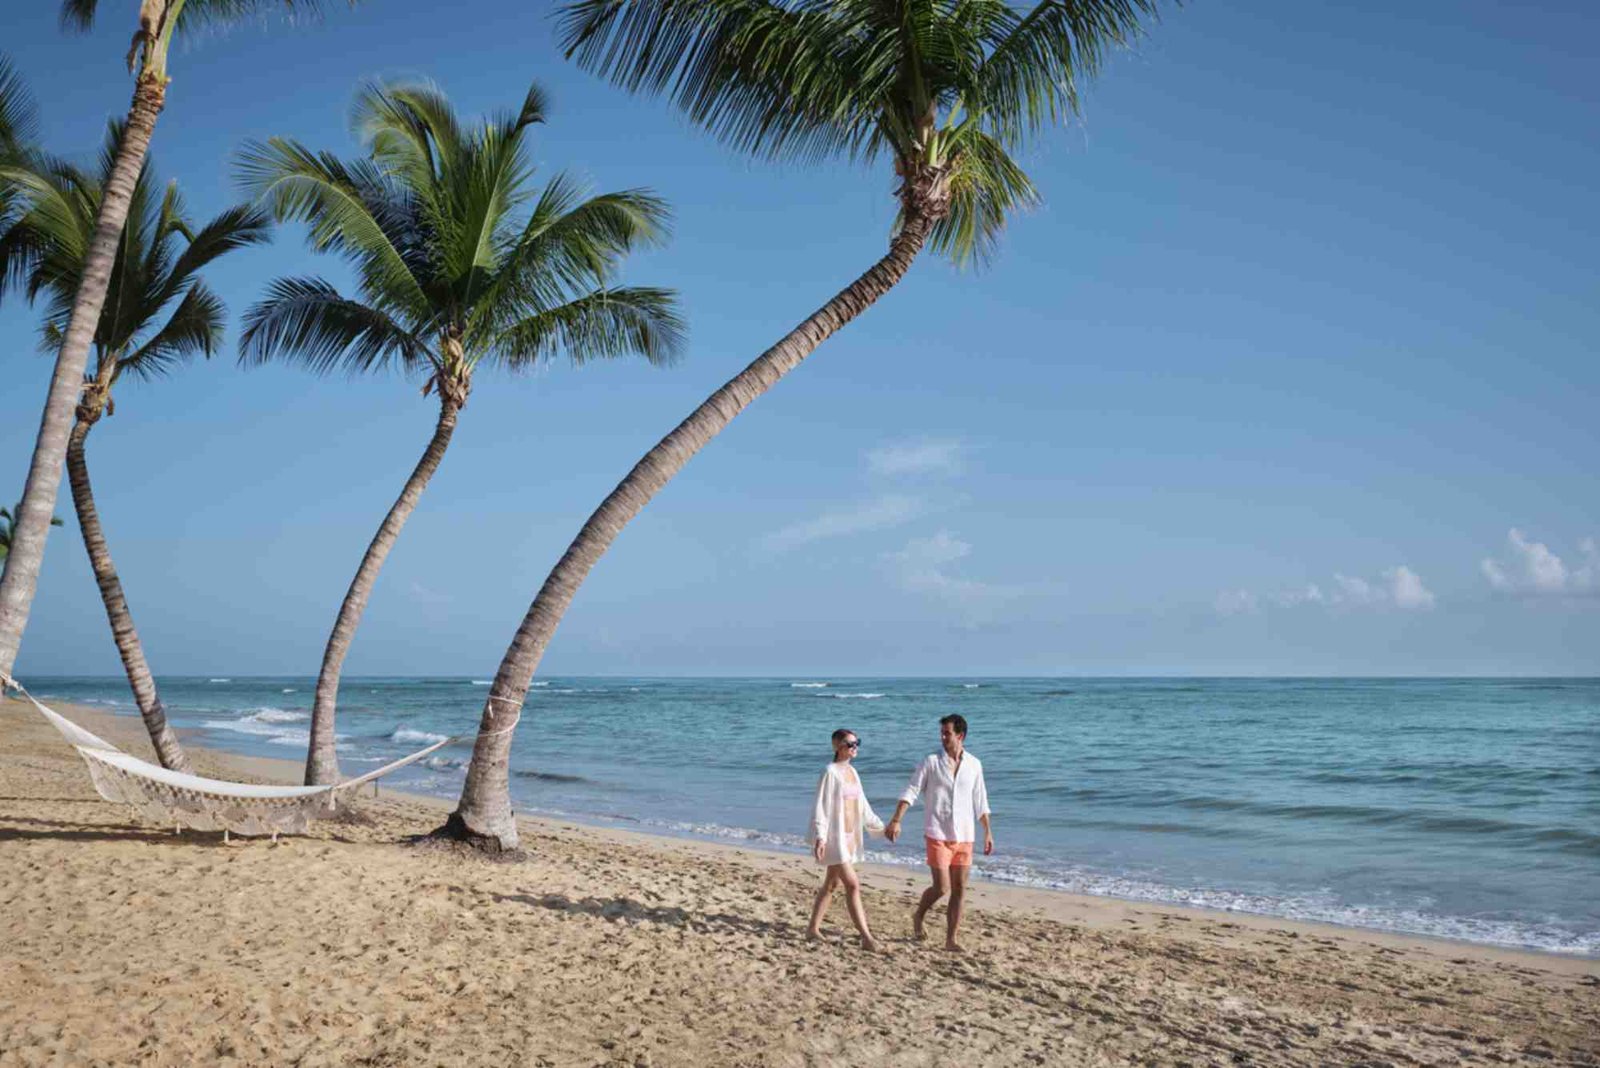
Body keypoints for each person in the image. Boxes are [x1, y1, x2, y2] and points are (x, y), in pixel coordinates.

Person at [884, 714, 993, 952]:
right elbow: (911, 790)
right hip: (937, 832)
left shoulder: (974, 764)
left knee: (960, 888)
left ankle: (951, 939)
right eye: (942, 733)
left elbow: (981, 801)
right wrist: (896, 820)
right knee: (942, 887)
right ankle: (919, 915)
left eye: (947, 733)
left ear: (960, 736)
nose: (943, 737)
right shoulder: (931, 762)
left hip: (965, 835)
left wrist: (987, 832)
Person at [805, 728, 886, 951]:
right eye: (850, 744)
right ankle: (867, 938)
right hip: (834, 838)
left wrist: (881, 828)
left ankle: (812, 929)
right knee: (853, 885)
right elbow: (820, 806)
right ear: (837, 747)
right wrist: (820, 837)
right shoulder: (829, 772)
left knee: (831, 884)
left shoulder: (853, 773)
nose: (855, 747)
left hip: (849, 837)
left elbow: (863, 806)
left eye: (857, 743)